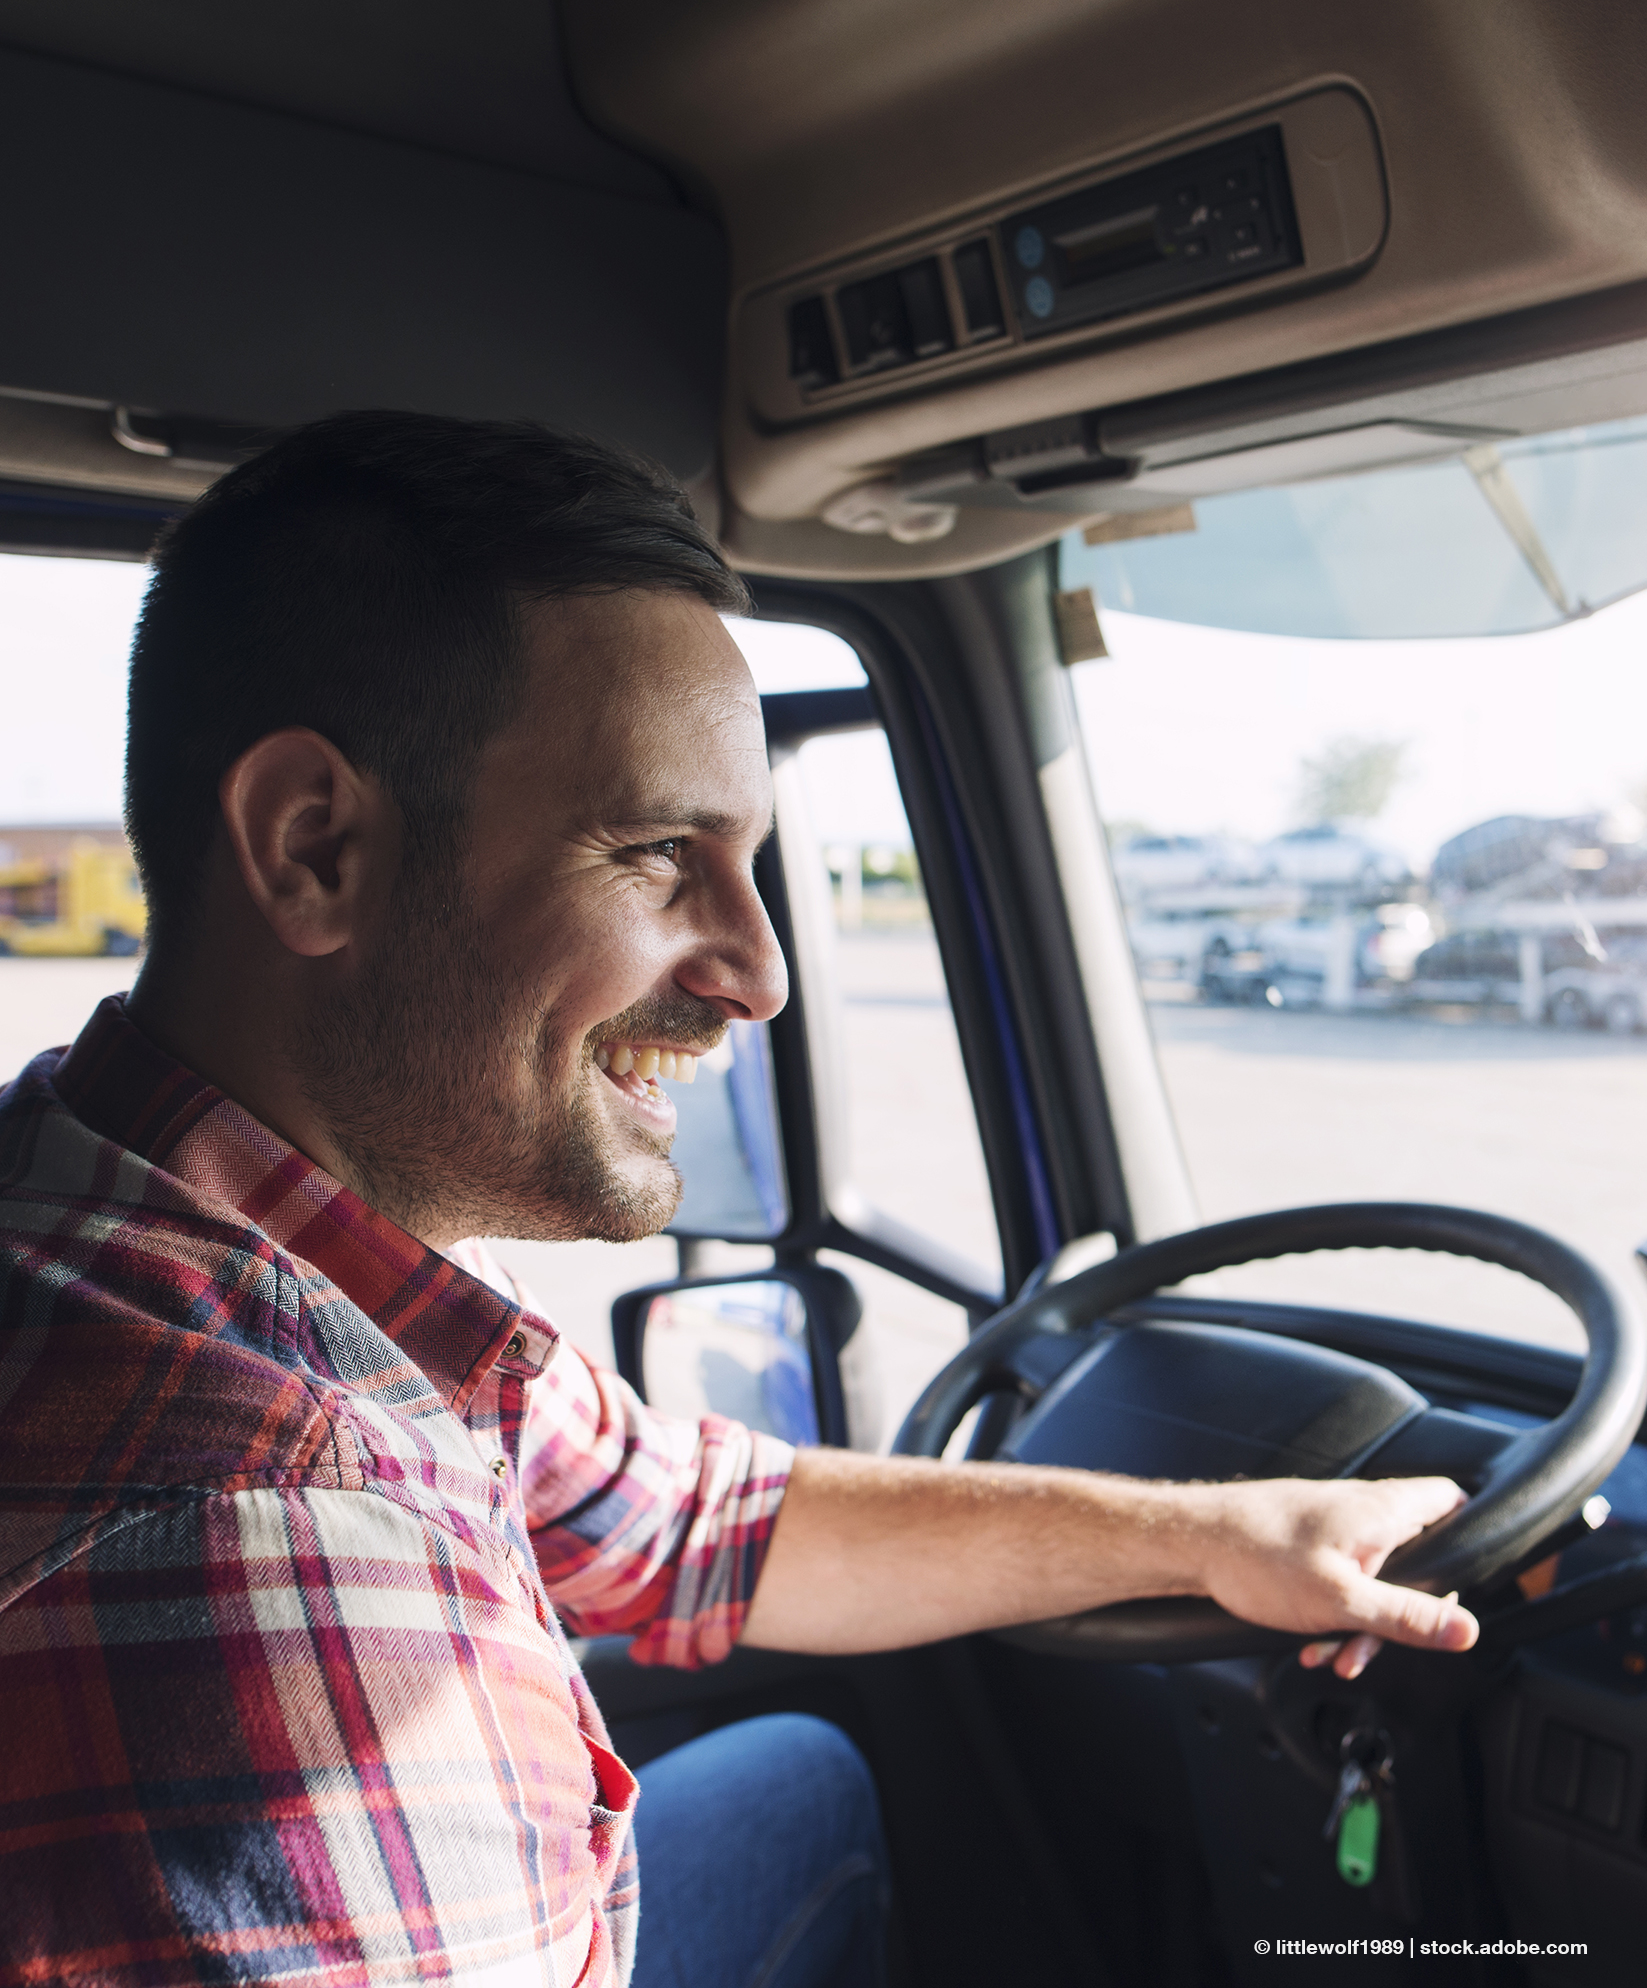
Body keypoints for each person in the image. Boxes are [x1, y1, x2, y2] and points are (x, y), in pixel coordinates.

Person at [0, 414, 1477, 1987]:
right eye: (655, 851)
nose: (759, 974)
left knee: (798, 1780)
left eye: (754, 860)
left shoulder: (165, 1199)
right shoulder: (274, 1555)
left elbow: (689, 1516)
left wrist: (1231, 1535)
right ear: (314, 848)